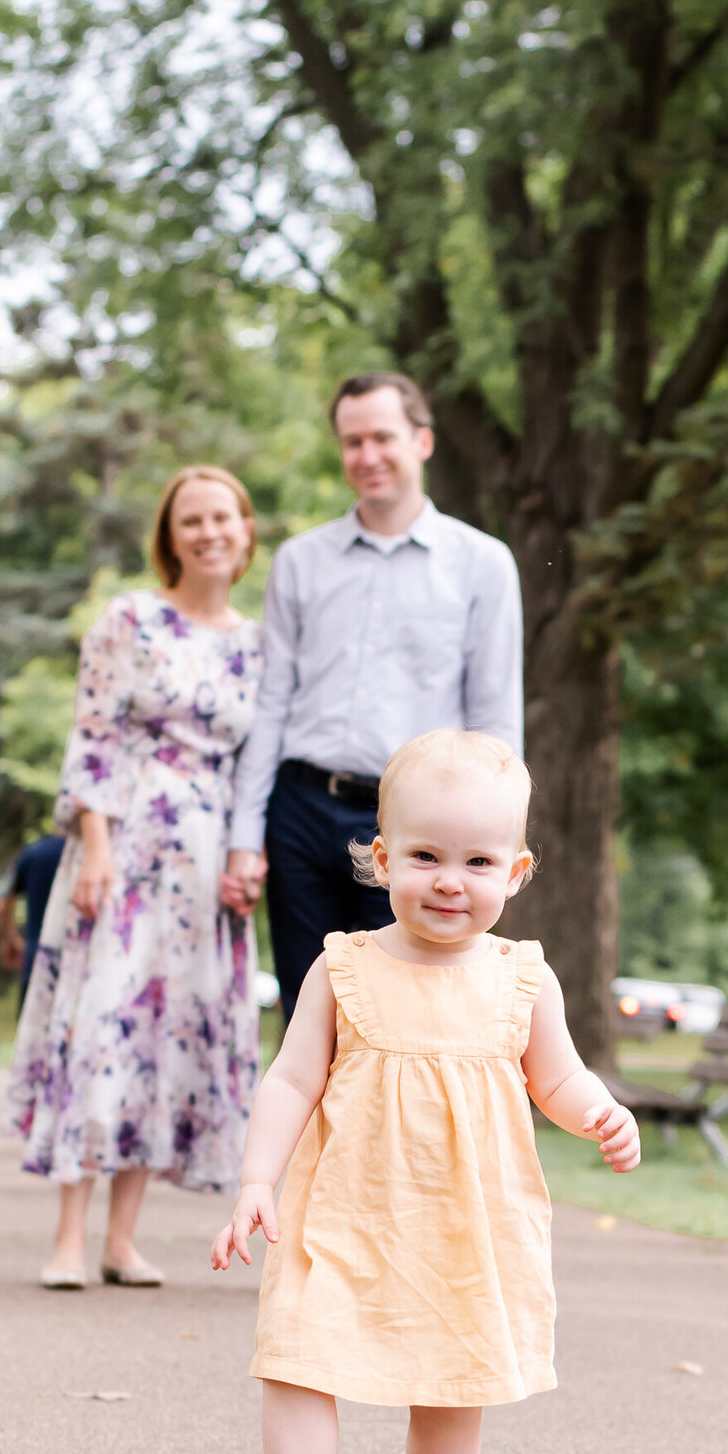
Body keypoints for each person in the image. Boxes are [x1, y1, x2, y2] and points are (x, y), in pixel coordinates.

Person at [201, 730, 639, 1454]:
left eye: (477, 861)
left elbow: (554, 1076)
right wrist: (256, 1180)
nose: (450, 879)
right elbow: (291, 1078)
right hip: (343, 1212)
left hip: (461, 1224)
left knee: (453, 1374)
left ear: (516, 872)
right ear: (379, 858)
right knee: (299, 1354)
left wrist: (598, 1111)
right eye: (426, 855)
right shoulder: (344, 966)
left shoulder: (524, 979)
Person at [4, 465, 264, 1291]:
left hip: (206, 858)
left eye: (222, 516)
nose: (209, 531)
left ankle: (123, 1239)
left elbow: (257, 761)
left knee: (164, 1035)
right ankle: (68, 1239)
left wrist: (242, 858)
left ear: (246, 530)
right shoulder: (130, 619)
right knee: (103, 1019)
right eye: (191, 520)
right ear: (170, 536)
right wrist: (96, 844)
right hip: (127, 840)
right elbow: (94, 735)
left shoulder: (258, 643)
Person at [222, 372, 523, 1017]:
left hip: (415, 827)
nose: (368, 456)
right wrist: (246, 835)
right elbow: (272, 703)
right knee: (308, 1016)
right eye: (352, 441)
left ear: (422, 441)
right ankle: (306, 1126)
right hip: (300, 810)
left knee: (397, 1015)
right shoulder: (300, 562)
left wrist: (486, 852)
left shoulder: (483, 563)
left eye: (382, 437)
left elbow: (495, 722)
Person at [0, 833, 66, 1012]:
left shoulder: (32, 853)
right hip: (80, 965)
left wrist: (12, 940)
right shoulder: (94, 851)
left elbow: (1, 906)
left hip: (37, 960)